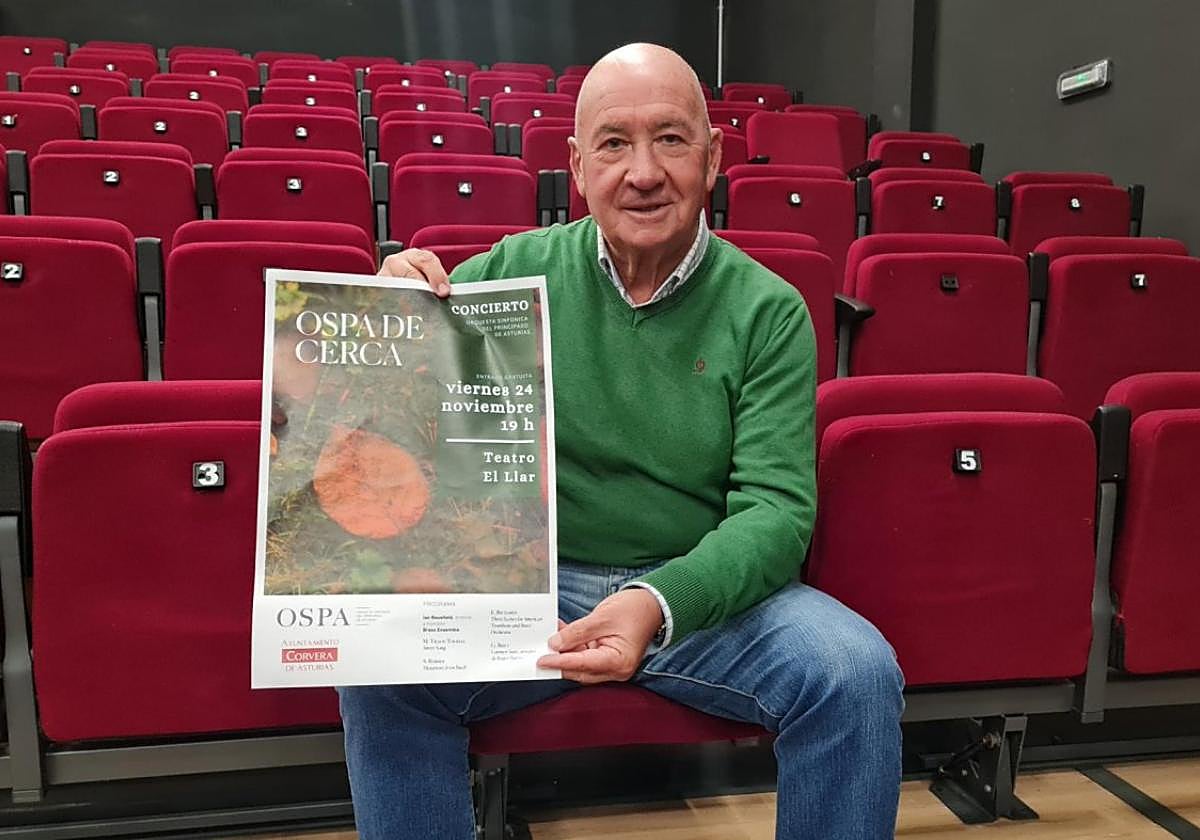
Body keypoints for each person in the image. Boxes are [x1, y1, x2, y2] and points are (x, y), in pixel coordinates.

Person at [338, 42, 904, 839]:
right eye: (613, 143)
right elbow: (400, 401)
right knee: (380, 671)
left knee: (855, 671)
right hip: (533, 588)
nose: (643, 172)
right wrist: (394, 303)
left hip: (698, 593)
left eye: (670, 139)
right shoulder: (515, 271)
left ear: (712, 157)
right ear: (577, 165)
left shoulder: (768, 309)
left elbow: (776, 513)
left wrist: (658, 602)